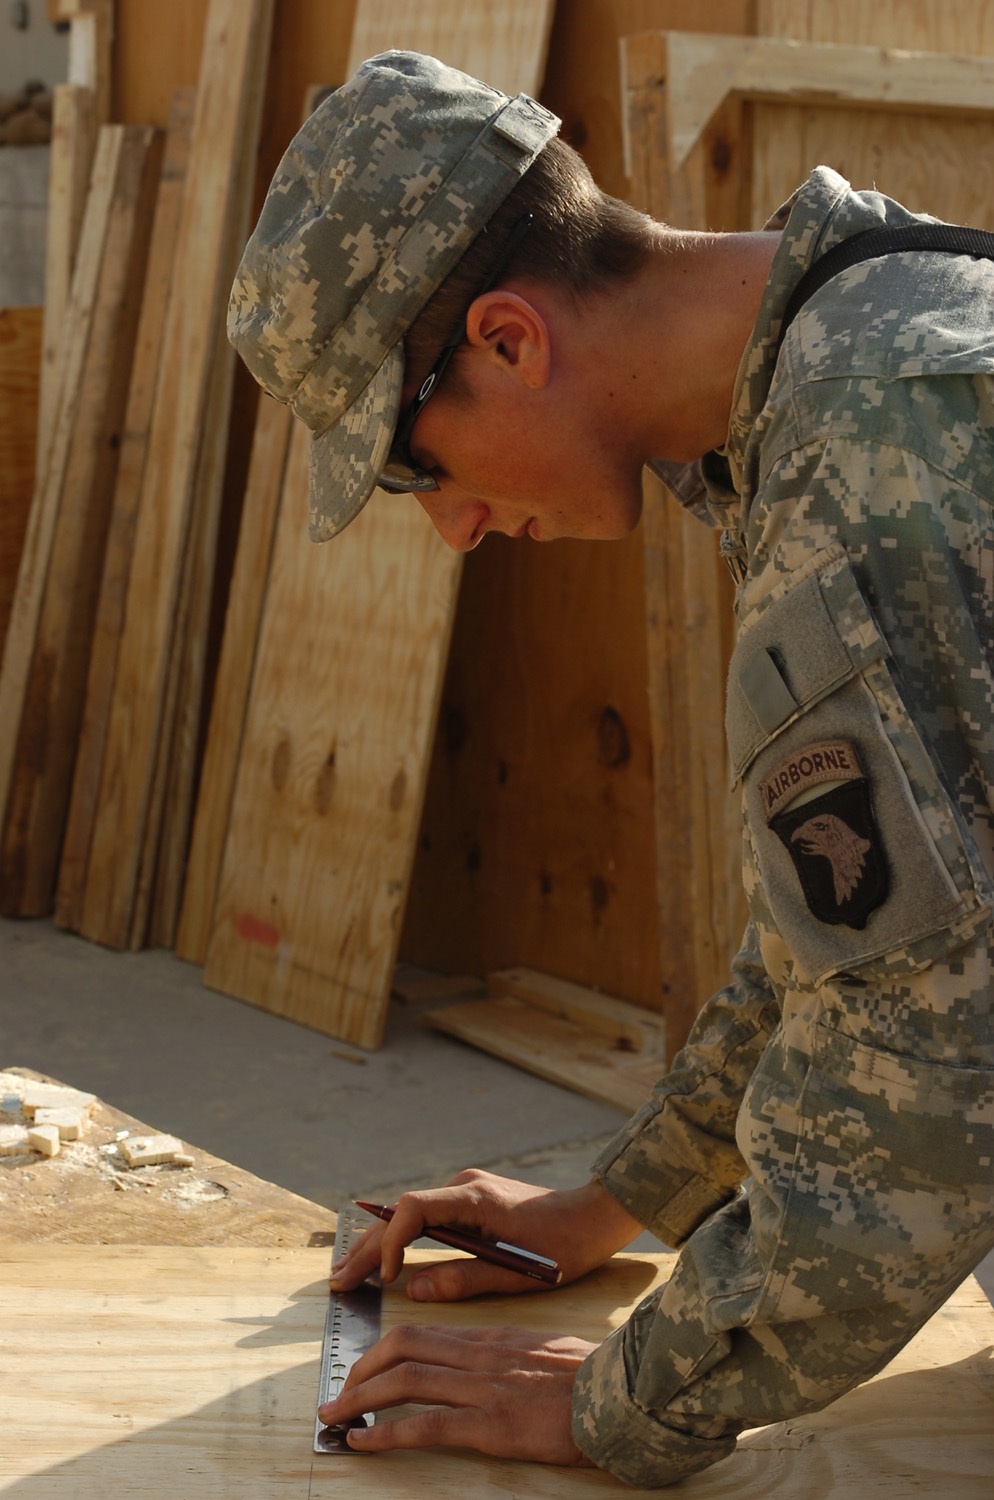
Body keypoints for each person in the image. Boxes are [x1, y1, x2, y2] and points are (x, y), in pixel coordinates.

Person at [227, 50, 994, 1489]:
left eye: (410, 462)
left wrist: (625, 1398)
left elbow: (932, 1074)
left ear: (509, 340)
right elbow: (862, 922)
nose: (449, 529)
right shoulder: (865, 330)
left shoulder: (872, 450)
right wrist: (625, 1196)